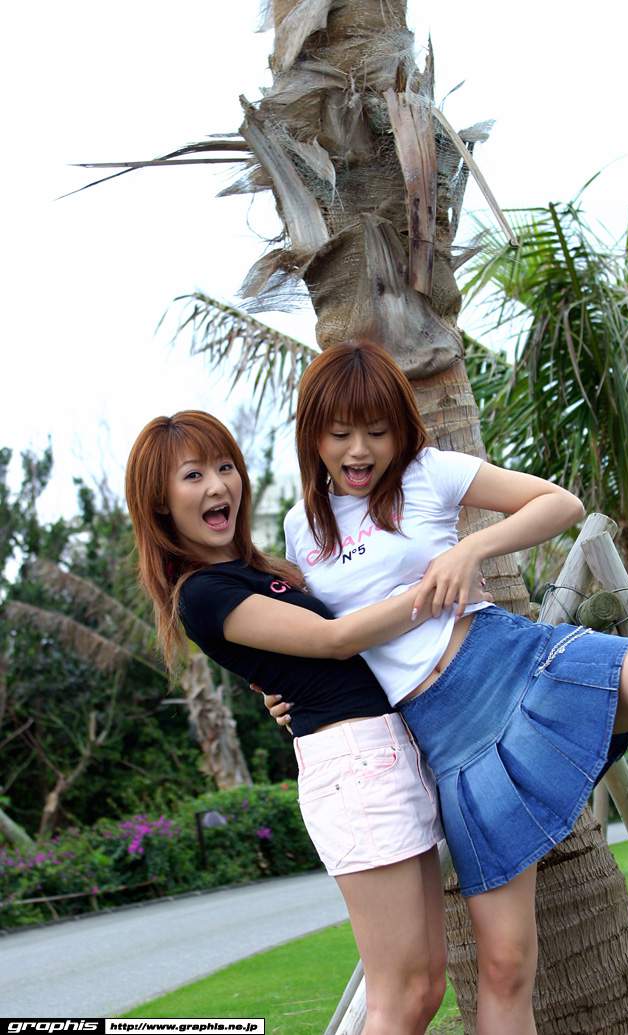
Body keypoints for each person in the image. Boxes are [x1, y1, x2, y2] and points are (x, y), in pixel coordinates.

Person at [263, 339, 628, 1035]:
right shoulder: (301, 529)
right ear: (312, 434)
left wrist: (470, 548)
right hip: (450, 740)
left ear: (400, 429)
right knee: (505, 965)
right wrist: (283, 692)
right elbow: (319, 638)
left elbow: (559, 503)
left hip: (520, 663)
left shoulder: (429, 473)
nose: (359, 450)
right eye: (339, 434)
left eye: (377, 431)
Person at [125, 409, 492, 1035]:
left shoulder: (259, 571)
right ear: (160, 504)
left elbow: (300, 661)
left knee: (425, 987)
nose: (218, 486)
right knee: (399, 997)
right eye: (193, 475)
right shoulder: (203, 592)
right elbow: (333, 639)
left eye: (225, 467)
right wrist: (438, 584)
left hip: (382, 753)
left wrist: (282, 692)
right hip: (355, 767)